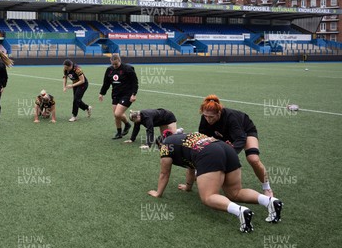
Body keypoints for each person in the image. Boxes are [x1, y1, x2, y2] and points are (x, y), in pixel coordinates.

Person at [148, 131, 283, 233]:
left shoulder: (165, 145)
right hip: (224, 148)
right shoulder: (184, 138)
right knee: (234, 192)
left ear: (160, 145)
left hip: (209, 153)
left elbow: (164, 173)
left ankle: (241, 211)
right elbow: (190, 167)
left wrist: (158, 193)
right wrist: (188, 187)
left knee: (208, 197)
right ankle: (270, 201)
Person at [198, 94, 273, 197]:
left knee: (253, 159)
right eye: (205, 116)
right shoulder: (205, 118)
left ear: (219, 112)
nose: (208, 119)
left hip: (245, 131)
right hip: (223, 134)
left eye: (211, 117)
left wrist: (230, 150)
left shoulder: (230, 117)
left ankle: (267, 188)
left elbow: (241, 138)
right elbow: (203, 137)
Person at [98, 53, 139, 139]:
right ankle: (121, 130)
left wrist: (134, 94)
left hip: (127, 94)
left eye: (116, 64)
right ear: (110, 61)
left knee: (117, 114)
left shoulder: (128, 69)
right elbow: (106, 83)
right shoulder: (109, 70)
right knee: (116, 115)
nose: (114, 66)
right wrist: (101, 93)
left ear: (119, 61)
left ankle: (124, 127)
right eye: (112, 64)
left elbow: (135, 83)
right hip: (116, 94)